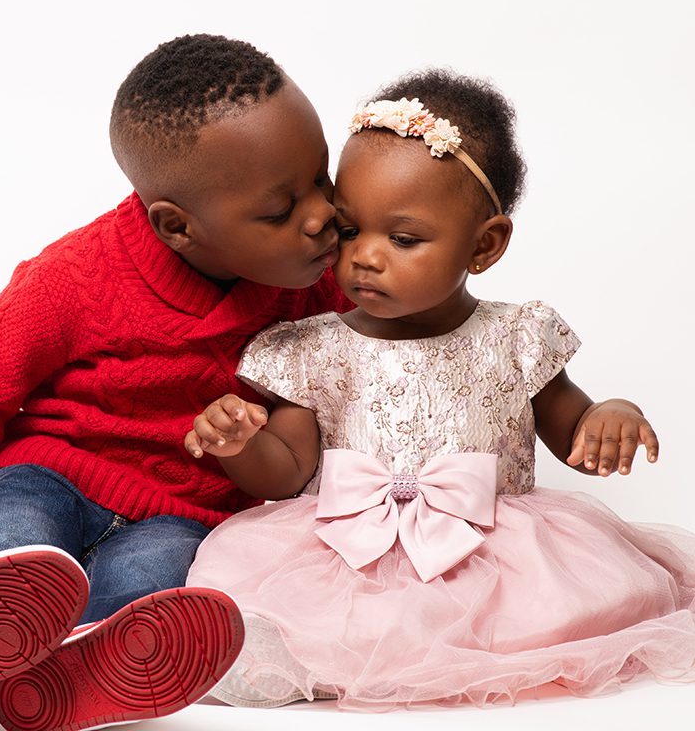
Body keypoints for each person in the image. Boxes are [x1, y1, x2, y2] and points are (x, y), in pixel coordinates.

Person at [0, 33, 348, 731]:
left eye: (324, 180)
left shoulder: (321, 287)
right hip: (50, 474)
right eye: (280, 211)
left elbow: (381, 368)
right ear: (177, 227)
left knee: (145, 588)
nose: (320, 218)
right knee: (13, 550)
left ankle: (69, 673)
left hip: (181, 510)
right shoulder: (71, 279)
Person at [183, 68, 695, 710]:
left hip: (493, 554)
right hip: (346, 553)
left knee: (549, 623)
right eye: (349, 230)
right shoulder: (311, 349)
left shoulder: (515, 337)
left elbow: (573, 434)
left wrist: (609, 416)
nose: (365, 256)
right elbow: (285, 475)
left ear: (485, 246)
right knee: (296, 626)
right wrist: (239, 443)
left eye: (402, 239)